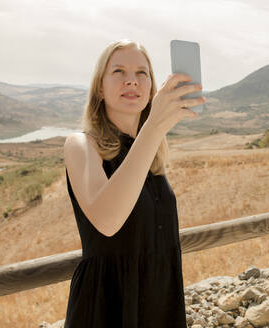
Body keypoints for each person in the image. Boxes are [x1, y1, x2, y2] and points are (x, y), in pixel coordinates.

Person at [62, 39, 206, 327]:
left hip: (160, 302)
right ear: (100, 88)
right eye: (119, 72)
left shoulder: (152, 152)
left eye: (142, 73)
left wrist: (153, 132)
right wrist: (154, 126)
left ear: (152, 88)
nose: (132, 81)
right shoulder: (81, 144)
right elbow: (107, 221)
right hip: (107, 307)